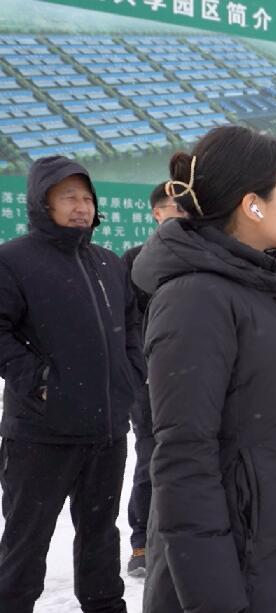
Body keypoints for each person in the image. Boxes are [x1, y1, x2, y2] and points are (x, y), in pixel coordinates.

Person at [132, 125, 276, 612]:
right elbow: (184, 461)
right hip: (217, 577)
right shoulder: (196, 298)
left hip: (259, 558)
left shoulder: (263, 288)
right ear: (252, 204)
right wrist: (216, 600)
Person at [0, 156, 145, 612]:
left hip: (106, 432)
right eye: (68, 197)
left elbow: (131, 329)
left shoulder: (108, 263)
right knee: (25, 543)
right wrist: (42, 382)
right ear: (42, 202)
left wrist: (129, 376)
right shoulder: (13, 260)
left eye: (87, 198)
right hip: (41, 434)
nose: (81, 207)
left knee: (101, 538)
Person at [121, 182, 186, 577]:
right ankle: (141, 541)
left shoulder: (202, 260)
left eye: (186, 209)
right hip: (148, 383)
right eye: (174, 209)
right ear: (157, 214)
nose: (182, 216)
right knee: (151, 458)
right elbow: (126, 326)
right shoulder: (133, 261)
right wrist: (139, 372)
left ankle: (183, 538)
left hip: (193, 379)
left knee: (194, 459)